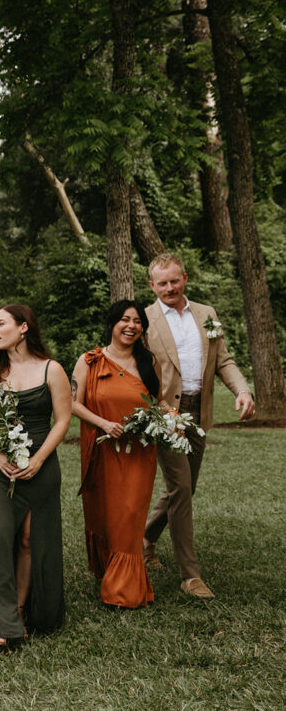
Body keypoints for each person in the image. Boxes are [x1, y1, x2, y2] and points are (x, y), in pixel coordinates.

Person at [142, 253, 254, 599]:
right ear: (152, 285)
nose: (169, 288)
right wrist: (159, 410)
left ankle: (145, 539)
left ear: (185, 279)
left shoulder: (207, 314)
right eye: (162, 283)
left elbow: (223, 359)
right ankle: (190, 576)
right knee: (181, 488)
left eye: (174, 281)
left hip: (198, 413)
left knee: (184, 489)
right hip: (166, 415)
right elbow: (141, 371)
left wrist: (243, 389)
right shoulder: (143, 319)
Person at [0, 305, 70, 651]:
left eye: (1, 324)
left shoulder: (51, 369)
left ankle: (17, 611)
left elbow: (62, 420)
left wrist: (39, 459)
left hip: (41, 465)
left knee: (30, 541)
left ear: (24, 327)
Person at [71, 301, 162, 608]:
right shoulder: (89, 361)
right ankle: (111, 572)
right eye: (125, 319)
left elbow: (157, 405)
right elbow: (72, 403)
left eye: (137, 321)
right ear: (112, 323)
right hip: (101, 450)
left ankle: (123, 592)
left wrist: (168, 421)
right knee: (105, 514)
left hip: (138, 454)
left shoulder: (149, 362)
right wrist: (103, 424)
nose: (131, 325)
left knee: (129, 515)